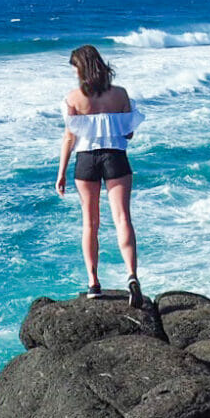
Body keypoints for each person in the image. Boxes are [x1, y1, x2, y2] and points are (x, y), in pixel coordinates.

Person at [55, 44, 146, 308]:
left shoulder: (73, 98)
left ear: (82, 67)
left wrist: (61, 173)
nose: (73, 72)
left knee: (90, 223)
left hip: (86, 161)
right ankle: (132, 276)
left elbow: (69, 137)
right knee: (122, 218)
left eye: (75, 67)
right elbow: (128, 133)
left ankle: (94, 283)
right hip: (115, 157)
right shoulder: (120, 94)